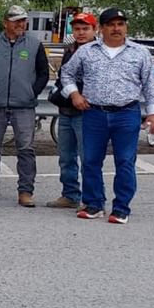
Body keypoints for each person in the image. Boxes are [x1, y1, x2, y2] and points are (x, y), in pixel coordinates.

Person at [58, 7, 154, 224]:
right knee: (91, 160)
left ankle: (121, 207)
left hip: (126, 113)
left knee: (125, 161)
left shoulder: (140, 52)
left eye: (120, 24)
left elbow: (151, 85)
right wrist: (74, 94)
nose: (116, 29)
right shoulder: (87, 51)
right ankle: (94, 204)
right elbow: (67, 73)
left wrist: (153, 114)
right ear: (101, 28)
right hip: (94, 113)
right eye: (111, 25)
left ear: (126, 27)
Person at [0, 6, 49, 207]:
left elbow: (43, 73)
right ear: (5, 23)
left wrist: (32, 92)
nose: (20, 24)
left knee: (25, 149)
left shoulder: (34, 45)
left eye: (23, 20)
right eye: (15, 21)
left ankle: (25, 192)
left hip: (24, 106)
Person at [46, 11, 97, 209]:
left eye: (85, 29)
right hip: (66, 111)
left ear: (95, 30)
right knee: (66, 157)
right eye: (77, 29)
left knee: (88, 158)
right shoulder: (70, 50)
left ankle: (90, 198)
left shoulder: (98, 52)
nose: (81, 33)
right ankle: (70, 194)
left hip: (87, 113)